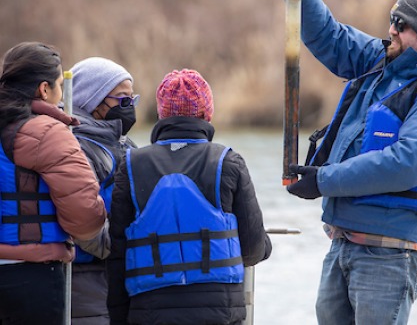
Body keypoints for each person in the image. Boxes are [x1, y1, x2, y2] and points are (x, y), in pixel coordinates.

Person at [278, 0, 417, 325]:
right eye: (394, 19)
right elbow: (330, 37)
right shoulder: (383, 61)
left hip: (392, 254)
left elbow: (411, 161)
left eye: (403, 24)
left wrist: (323, 180)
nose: (392, 29)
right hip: (343, 242)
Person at [107, 68, 272, 325]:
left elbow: (117, 255)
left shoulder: (130, 165)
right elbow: (252, 249)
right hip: (220, 313)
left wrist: (120, 318)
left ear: (162, 114)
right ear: (207, 113)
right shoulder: (228, 161)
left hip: (150, 312)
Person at [0, 42, 107, 325]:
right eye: (60, 86)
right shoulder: (46, 132)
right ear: (44, 89)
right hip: (31, 277)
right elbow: (84, 216)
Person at [69, 57, 139, 324]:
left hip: (119, 276)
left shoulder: (125, 143)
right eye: (122, 99)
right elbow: (83, 224)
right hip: (86, 279)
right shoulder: (75, 146)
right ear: (91, 99)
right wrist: (123, 248)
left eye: (132, 99)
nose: (129, 107)